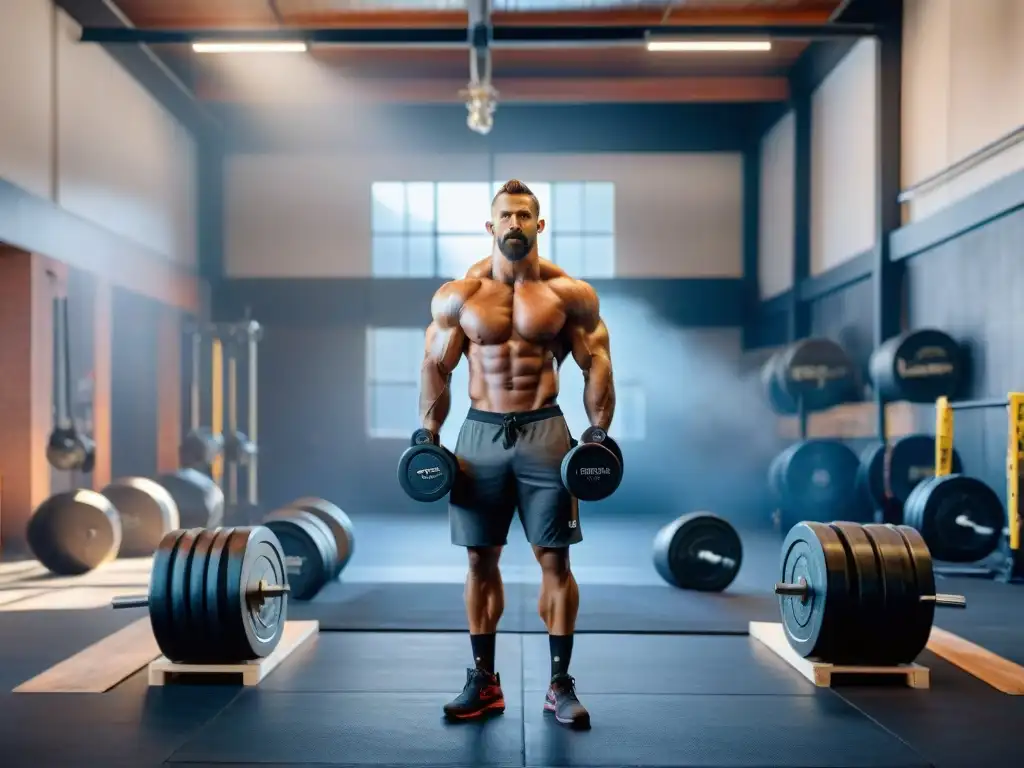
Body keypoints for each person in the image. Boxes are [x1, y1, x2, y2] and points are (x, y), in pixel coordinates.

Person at [417, 180, 615, 729]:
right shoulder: (460, 294)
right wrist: (428, 434)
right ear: (490, 225)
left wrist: (598, 431)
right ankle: (484, 682)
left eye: (524, 216)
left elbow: (595, 361)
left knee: (556, 560)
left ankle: (559, 686)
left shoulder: (567, 293)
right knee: (480, 559)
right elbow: (437, 363)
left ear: (539, 224)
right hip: (479, 435)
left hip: (545, 432)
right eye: (505, 216)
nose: (514, 224)